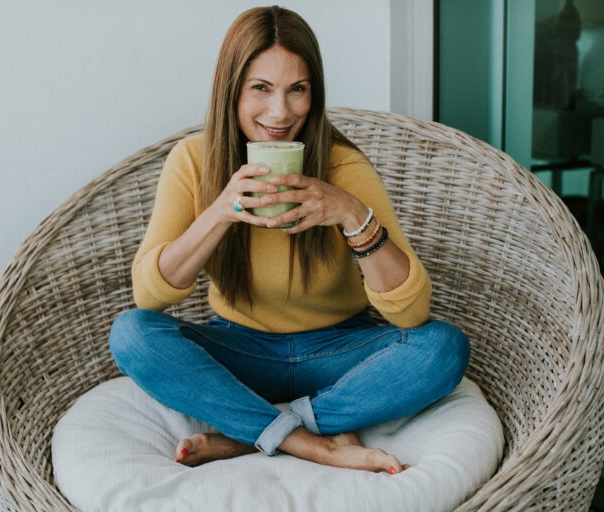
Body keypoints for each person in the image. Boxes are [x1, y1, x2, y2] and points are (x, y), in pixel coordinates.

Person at [109, 5, 469, 475]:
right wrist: (221, 211)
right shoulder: (192, 162)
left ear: (313, 96)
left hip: (340, 350)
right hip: (243, 350)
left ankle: (254, 434)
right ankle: (312, 442)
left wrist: (349, 212)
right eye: (261, 88)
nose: (280, 112)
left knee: (444, 348)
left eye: (297, 90)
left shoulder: (345, 168)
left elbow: (412, 312)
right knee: (132, 334)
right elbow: (149, 295)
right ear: (231, 92)